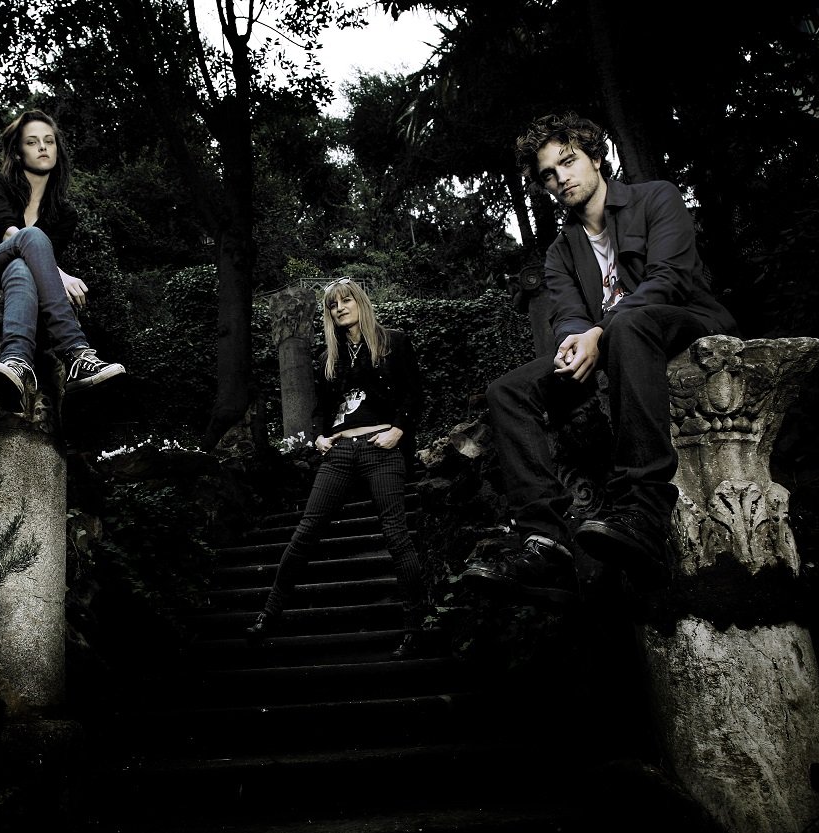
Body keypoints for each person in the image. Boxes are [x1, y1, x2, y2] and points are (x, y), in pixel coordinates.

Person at [461, 112, 739, 603]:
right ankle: (545, 541)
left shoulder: (657, 197)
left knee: (630, 323)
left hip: (680, 323)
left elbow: (669, 280)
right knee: (507, 392)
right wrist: (574, 341)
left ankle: (645, 509)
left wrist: (596, 330)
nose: (560, 178)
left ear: (595, 157)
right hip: (608, 341)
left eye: (567, 162)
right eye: (548, 173)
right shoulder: (560, 251)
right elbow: (566, 315)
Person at [246, 278, 430, 660]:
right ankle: (269, 614)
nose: (340, 308)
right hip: (341, 451)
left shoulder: (393, 340)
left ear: (360, 302)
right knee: (306, 530)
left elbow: (415, 392)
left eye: (346, 300)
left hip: (381, 446)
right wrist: (318, 436)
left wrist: (398, 430)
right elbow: (320, 408)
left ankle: (415, 627)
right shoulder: (327, 356)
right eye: (333, 305)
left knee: (397, 535)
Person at [0, 109, 125, 414]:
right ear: (16, 152)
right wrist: (60, 274)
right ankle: (77, 352)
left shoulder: (65, 214)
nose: (43, 147)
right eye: (32, 141)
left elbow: (33, 258)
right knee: (32, 238)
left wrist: (51, 268)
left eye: (49, 141)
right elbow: (13, 235)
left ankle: (17, 362)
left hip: (18, 277)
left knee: (21, 267)